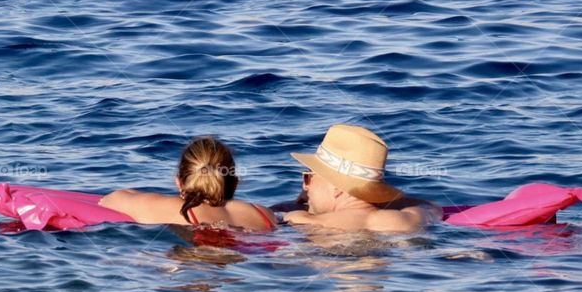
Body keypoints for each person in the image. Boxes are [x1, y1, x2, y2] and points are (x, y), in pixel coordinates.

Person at [280, 124, 440, 233]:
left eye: (308, 178)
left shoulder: (303, 220)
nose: (305, 188)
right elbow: (431, 207)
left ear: (336, 187)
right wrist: (380, 201)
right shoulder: (405, 221)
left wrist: (300, 206)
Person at [99, 136, 276, 232]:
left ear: (179, 182)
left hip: (196, 262)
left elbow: (111, 200)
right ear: (235, 183)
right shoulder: (264, 214)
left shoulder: (174, 209)